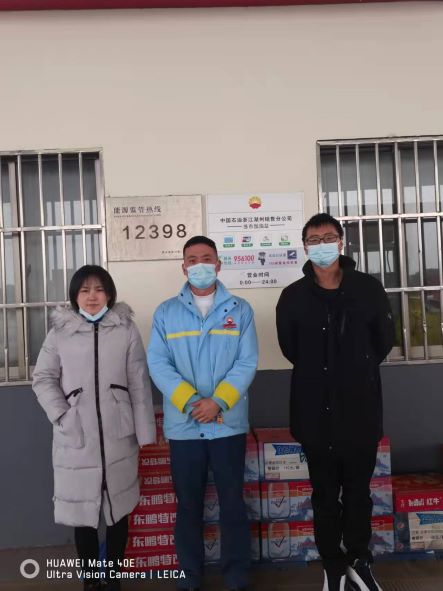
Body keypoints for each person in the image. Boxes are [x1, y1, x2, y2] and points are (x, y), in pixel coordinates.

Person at [276, 213, 395, 591]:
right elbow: (291, 349)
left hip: (360, 411)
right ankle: (332, 565)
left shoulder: (368, 289)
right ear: (305, 247)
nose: (322, 244)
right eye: (314, 239)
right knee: (324, 495)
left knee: (359, 493)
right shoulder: (292, 297)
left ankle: (360, 560)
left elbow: (383, 342)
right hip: (315, 414)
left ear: (341, 242)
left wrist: (353, 370)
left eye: (329, 237)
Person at [33, 265, 156, 591]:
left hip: (119, 437)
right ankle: (90, 580)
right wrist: (62, 415)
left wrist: (144, 431)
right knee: (83, 515)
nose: (92, 296)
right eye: (85, 290)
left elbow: (138, 382)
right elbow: (42, 378)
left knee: (119, 512)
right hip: (77, 436)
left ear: (110, 294)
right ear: (75, 295)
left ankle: (113, 578)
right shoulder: (60, 333)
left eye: (99, 289)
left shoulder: (125, 329)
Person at [148, 235, 258, 591]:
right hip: (185, 426)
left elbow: (247, 362)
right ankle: (190, 576)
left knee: (232, 504)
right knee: (188, 506)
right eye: (192, 260)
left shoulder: (240, 310)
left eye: (206, 258)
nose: (200, 265)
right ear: (183, 267)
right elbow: (158, 364)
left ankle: (237, 576)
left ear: (218, 264)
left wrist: (218, 402)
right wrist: (193, 401)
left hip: (227, 425)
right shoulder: (166, 312)